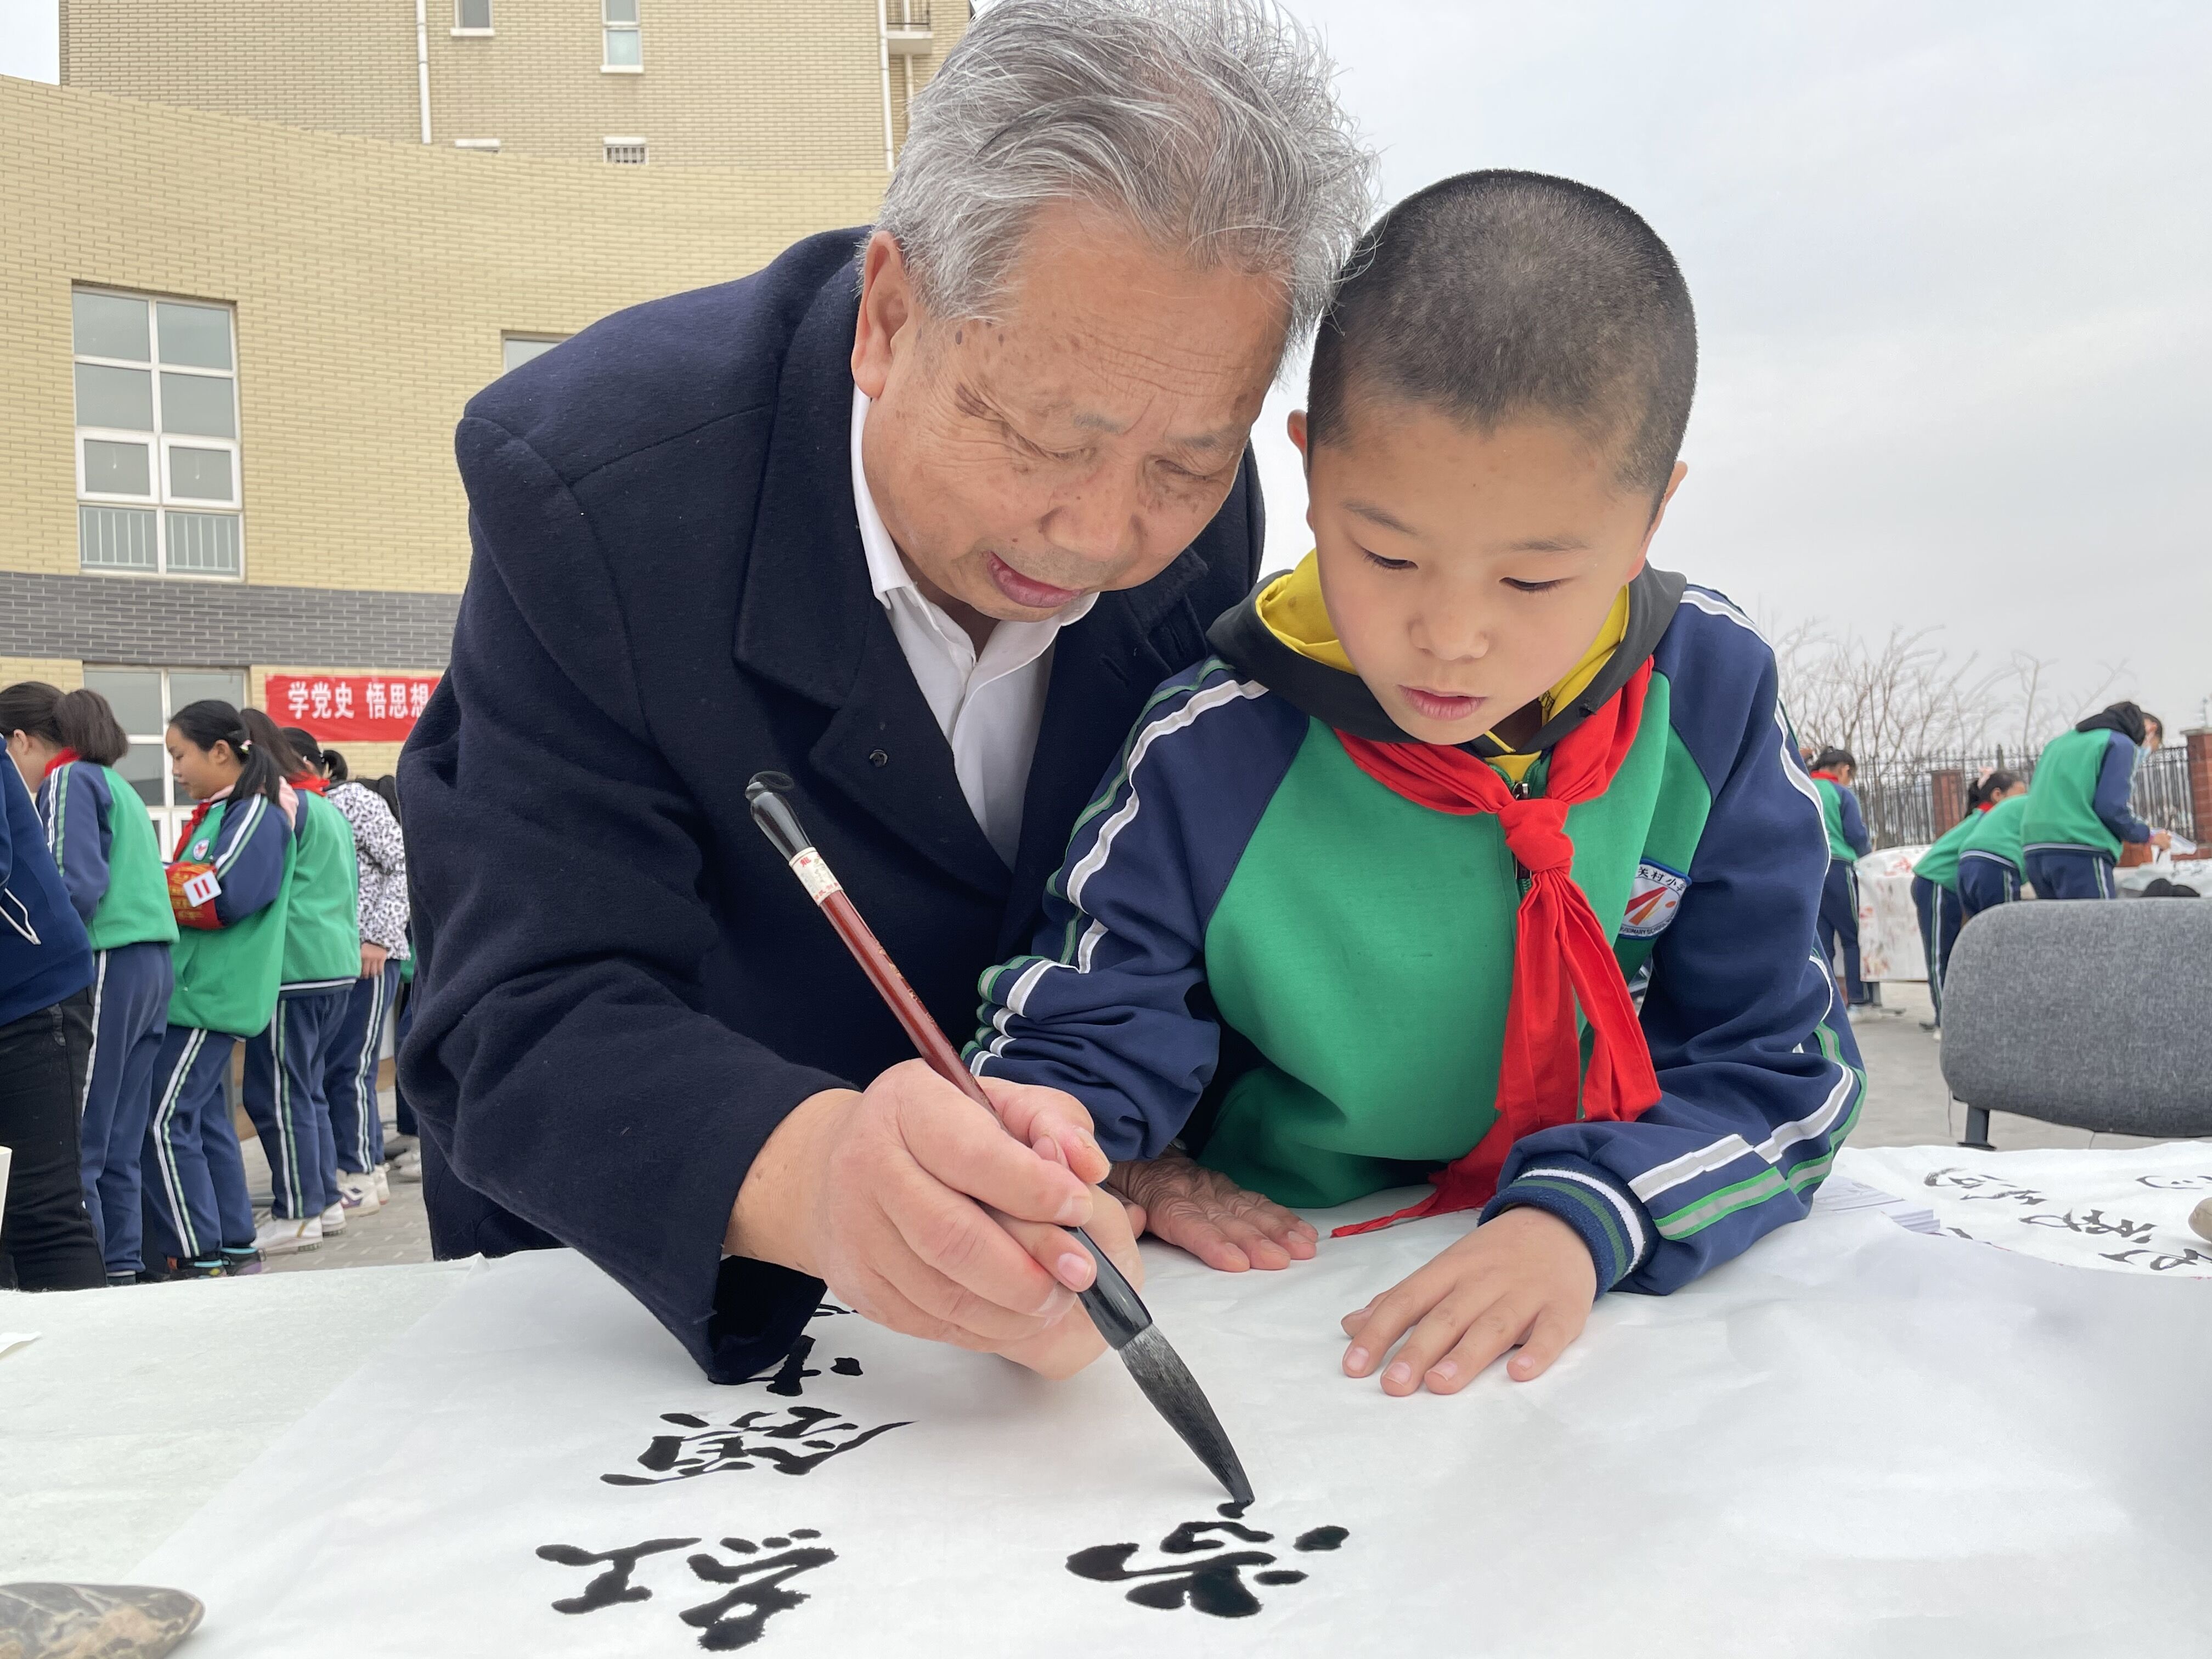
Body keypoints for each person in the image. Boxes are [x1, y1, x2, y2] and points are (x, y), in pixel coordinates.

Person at [399, 0, 1374, 1384]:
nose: (1099, 537)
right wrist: (817, 1174)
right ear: (891, 315)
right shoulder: (603, 486)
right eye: (1043, 437)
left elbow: (1161, 894)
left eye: (1182, 463)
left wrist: (1115, 1129)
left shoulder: (1205, 525)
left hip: (1047, 1286)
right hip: (648, 1295)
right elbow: (519, 1008)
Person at [967, 171, 1865, 1395]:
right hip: (1294, 1280)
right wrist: (1059, 1155)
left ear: (1653, 513)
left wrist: (1580, 1221)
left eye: (1534, 582)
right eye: (1384, 552)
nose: (1448, 639)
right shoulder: (1214, 741)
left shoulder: (1709, 698)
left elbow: (1781, 1065)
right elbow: (1078, 1034)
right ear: (1306, 470)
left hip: (1627, 1271)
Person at [1, 683, 178, 1285]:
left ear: (22, 739)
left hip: (107, 959)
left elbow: (73, 882)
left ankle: (102, 1270)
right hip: (152, 961)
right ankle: (123, 1266)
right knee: (121, 1141)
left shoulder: (67, 780)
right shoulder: (118, 784)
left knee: (80, 1147)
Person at [145, 701, 295, 1278]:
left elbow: (222, 896)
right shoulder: (218, 814)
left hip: (211, 993)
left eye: (179, 755)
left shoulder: (254, 813)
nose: (175, 770)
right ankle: (234, 1246)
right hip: (198, 990)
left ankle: (195, 1254)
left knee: (162, 1122)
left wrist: (147, 879)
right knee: (207, 1125)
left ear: (221, 752)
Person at [238, 714, 360, 1254]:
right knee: (307, 1091)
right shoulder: (324, 804)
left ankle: (299, 1211)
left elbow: (254, 883)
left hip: (294, 968)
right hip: (333, 964)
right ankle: (325, 1200)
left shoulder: (281, 807)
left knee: (277, 1094)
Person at [292, 738, 408, 1213]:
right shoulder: (311, 806)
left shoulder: (354, 800)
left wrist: (378, 937)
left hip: (371, 955)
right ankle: (361, 1169)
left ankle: (361, 1170)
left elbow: (405, 863)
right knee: (334, 1068)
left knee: (352, 1068)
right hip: (337, 957)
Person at [1908, 769, 2024, 1023]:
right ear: (1997, 796)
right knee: (1941, 953)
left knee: (1957, 951)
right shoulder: (1987, 819)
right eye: (2018, 796)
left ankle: (1958, 1013)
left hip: (1952, 884)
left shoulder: (1987, 817)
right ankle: (1945, 1018)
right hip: (1936, 881)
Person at [2021, 702, 2169, 899]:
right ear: (2150, 729)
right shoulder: (2120, 744)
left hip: (2035, 849)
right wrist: (2147, 834)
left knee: (2058, 928)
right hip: (2080, 848)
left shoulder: (2058, 743)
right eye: (2152, 747)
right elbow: (2111, 808)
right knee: (2099, 926)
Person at [1806, 747, 1874, 1006]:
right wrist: (1868, 857)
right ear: (1845, 769)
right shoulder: (1842, 794)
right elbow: (1856, 835)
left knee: (1822, 940)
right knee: (1854, 936)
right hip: (1839, 867)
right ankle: (1860, 1000)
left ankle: (1828, 1002)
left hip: (1810, 869)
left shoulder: (1805, 787)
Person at [1958, 773, 2035, 916]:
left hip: (1966, 862)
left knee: (1980, 928)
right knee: (2006, 925)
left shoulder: (1991, 813)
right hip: (1996, 863)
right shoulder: (2037, 806)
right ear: (1997, 795)